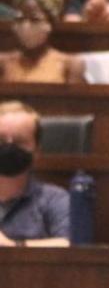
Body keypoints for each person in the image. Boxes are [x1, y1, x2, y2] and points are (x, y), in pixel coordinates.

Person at [0, 99, 68, 248]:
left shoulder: (55, 200)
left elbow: (70, 244)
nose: (8, 147)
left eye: (19, 141)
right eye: (1, 141)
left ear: (37, 151)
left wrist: (13, 246)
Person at [0, 0, 85, 83]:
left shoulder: (69, 65)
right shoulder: (2, 63)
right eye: (20, 19)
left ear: (51, 24)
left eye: (35, 19)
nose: (26, 25)